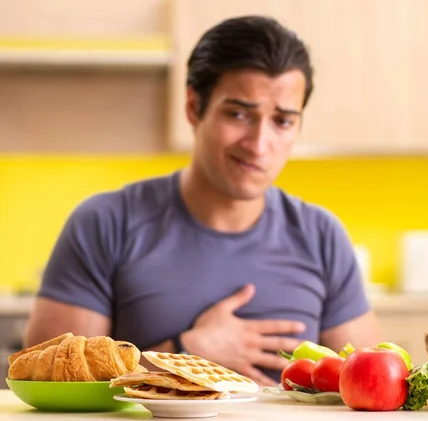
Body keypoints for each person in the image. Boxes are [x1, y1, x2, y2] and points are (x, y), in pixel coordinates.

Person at [24, 15, 382, 385]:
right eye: (239, 114)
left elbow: (369, 386)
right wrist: (184, 354)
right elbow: (48, 386)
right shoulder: (105, 223)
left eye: (283, 121)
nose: (259, 145)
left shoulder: (322, 235)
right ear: (194, 108)